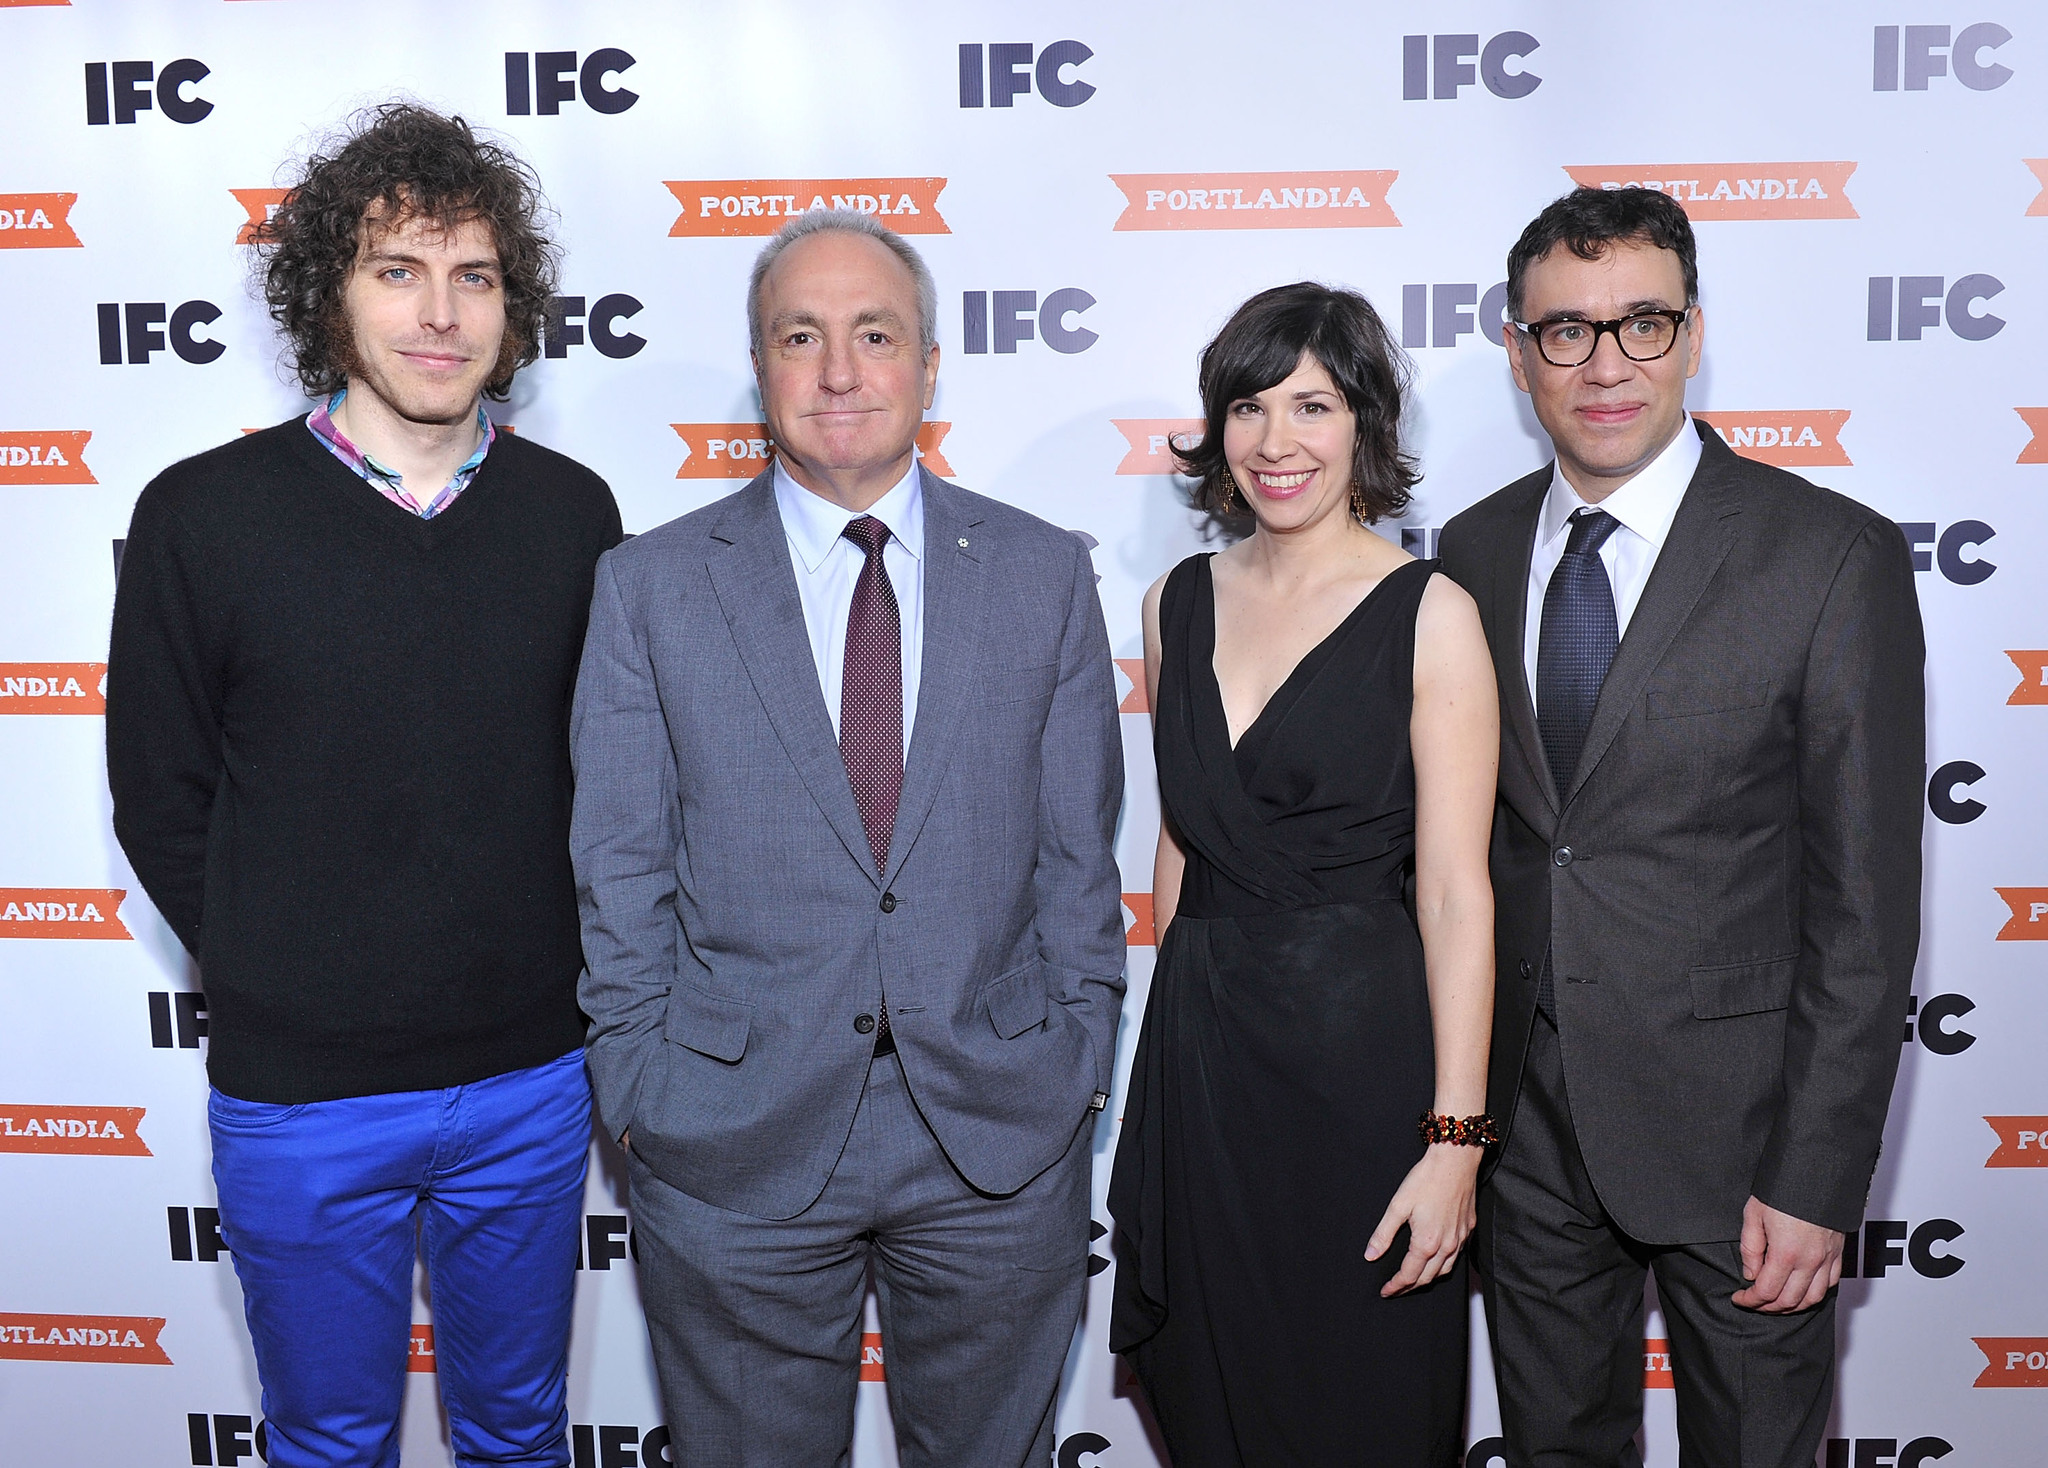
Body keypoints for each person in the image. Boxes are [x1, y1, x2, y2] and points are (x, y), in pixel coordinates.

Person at [105, 105, 620, 1468]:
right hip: (302, 1097)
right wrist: (283, 967)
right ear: (326, 298)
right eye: (398, 269)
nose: (440, 313)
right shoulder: (200, 516)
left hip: (529, 1082)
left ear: (514, 308)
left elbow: (610, 784)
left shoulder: (575, 516)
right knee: (329, 1441)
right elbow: (158, 792)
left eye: (475, 274)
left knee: (518, 1433)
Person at [570, 209, 1125, 1466]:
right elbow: (619, 866)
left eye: (874, 334)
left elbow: (1076, 861)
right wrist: (643, 1085)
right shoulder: (650, 584)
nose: (837, 371)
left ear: (929, 364)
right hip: (726, 1137)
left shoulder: (1040, 572)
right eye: (799, 336)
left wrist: (1072, 1054)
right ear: (758, 366)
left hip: (996, 1136)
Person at [1437, 186, 1924, 1466]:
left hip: (1745, 1148)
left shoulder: (1827, 554)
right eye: (1565, 330)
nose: (1604, 364)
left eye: (1640, 323)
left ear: (1692, 334)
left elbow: (1864, 908)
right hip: (1526, 1139)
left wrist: (1816, 1178)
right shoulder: (1468, 554)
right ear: (1513, 348)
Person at [1108, 282, 1501, 1466]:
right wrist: (1158, 1077)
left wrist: (1454, 1141)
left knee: (1363, 1405)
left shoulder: (1428, 612)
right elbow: (1182, 845)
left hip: (1364, 1086)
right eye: (1248, 406)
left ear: (1363, 426)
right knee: (1210, 1405)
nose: (1275, 442)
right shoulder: (1172, 602)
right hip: (1205, 1079)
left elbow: (1453, 894)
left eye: (1311, 405)